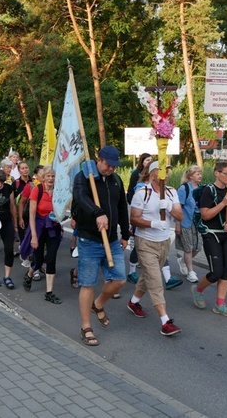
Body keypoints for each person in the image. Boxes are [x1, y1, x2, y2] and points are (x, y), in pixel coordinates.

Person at [72, 146, 130, 346]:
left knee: (120, 280)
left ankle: (98, 304)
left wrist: (126, 234)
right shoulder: (84, 177)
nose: (111, 169)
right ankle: (86, 326)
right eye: (108, 164)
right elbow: (80, 199)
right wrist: (97, 212)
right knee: (88, 283)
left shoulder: (116, 180)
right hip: (89, 240)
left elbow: (122, 207)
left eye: (114, 166)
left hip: (112, 239)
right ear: (99, 159)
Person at [127, 161, 184, 336]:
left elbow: (180, 216)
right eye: (162, 171)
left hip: (164, 242)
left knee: (148, 276)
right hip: (145, 242)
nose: (166, 175)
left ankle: (133, 302)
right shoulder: (142, 193)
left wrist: (168, 208)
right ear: (152, 174)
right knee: (156, 280)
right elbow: (134, 219)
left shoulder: (171, 192)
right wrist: (153, 223)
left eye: (167, 172)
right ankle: (165, 321)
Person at [191, 161, 227, 317]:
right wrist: (222, 203)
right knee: (216, 272)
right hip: (211, 234)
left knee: (226, 271)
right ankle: (198, 290)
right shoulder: (208, 191)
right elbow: (205, 215)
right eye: (226, 173)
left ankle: (220, 304)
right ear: (217, 173)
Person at [22, 166, 63, 304]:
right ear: (43, 178)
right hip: (39, 227)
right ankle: (29, 274)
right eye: (48, 176)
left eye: (53, 176)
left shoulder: (59, 190)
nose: (51, 178)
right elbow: (32, 216)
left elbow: (63, 208)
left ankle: (49, 292)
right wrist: (33, 236)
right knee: (38, 261)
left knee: (51, 259)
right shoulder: (37, 190)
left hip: (53, 228)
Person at [125, 153, 152, 285]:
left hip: (150, 220)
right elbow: (131, 191)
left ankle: (167, 275)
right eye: (147, 160)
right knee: (136, 243)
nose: (149, 162)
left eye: (151, 160)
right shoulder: (137, 176)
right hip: (139, 214)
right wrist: (133, 203)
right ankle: (131, 271)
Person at [175, 165, 203, 283]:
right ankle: (190, 272)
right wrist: (177, 224)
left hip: (198, 222)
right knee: (188, 247)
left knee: (198, 247)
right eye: (197, 174)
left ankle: (183, 261)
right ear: (190, 176)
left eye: (200, 173)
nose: (200, 176)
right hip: (186, 221)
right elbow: (178, 208)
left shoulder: (201, 188)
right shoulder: (184, 189)